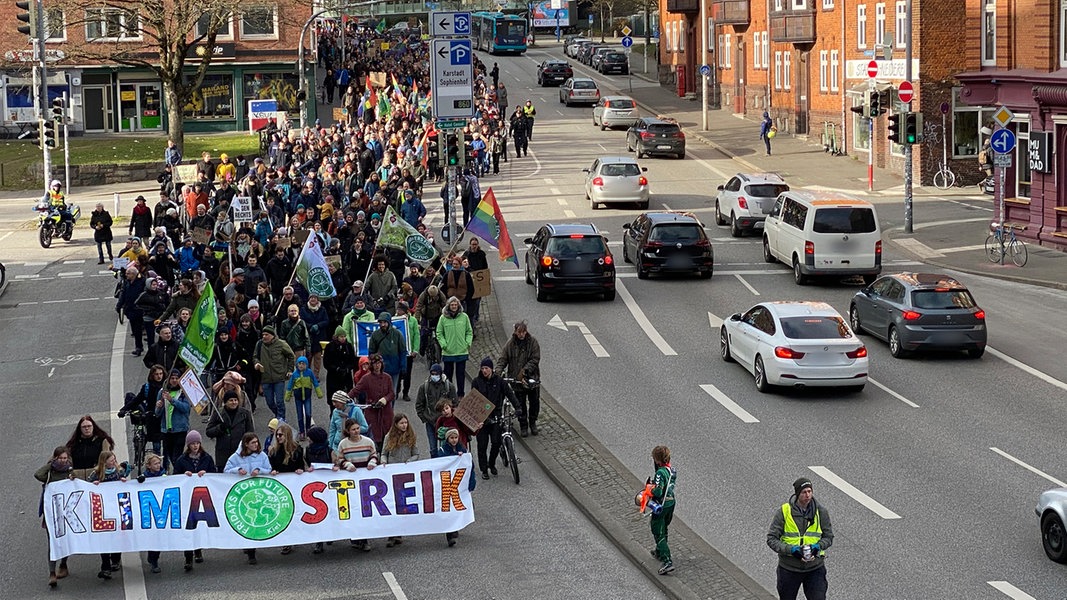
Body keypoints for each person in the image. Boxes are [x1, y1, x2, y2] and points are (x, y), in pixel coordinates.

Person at [767, 477, 834, 600]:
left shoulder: (821, 512)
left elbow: (829, 537)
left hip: (815, 567)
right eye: (804, 492)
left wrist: (817, 547)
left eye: (809, 491)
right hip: (789, 568)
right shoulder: (784, 511)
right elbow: (771, 539)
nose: (808, 495)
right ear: (797, 494)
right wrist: (791, 550)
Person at [223, 432, 272, 565]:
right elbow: (226, 471)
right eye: (253, 443)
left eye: (257, 442)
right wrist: (237, 470)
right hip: (244, 496)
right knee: (247, 521)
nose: (256, 445)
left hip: (258, 493)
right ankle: (250, 551)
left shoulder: (262, 456)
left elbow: (269, 469)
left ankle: (253, 546)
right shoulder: (235, 457)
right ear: (246, 444)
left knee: (256, 521)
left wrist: (259, 470)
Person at [332, 417, 378, 552]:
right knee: (353, 510)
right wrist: (346, 464)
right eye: (353, 429)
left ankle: (364, 540)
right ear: (348, 431)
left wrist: (372, 462)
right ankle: (355, 538)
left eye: (358, 428)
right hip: (350, 483)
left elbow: (374, 455)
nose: (356, 431)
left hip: (365, 482)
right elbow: (339, 459)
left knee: (364, 511)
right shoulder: (343, 444)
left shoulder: (368, 442)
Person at [471, 357, 517, 480]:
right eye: (482, 368)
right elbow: (473, 400)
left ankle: (491, 463)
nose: (484, 371)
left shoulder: (500, 381)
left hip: (496, 417)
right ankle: (484, 469)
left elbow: (509, 394)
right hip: (482, 419)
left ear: (491, 369)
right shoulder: (476, 382)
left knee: (496, 443)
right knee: (482, 445)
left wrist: (518, 407)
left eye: (486, 368)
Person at [172, 430, 212, 571]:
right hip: (187, 498)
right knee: (188, 527)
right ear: (188, 445)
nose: (195, 446)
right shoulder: (182, 460)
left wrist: (206, 474)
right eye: (192, 444)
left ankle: (198, 550)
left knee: (200, 524)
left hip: (202, 497)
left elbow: (214, 473)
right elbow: (174, 477)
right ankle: (188, 557)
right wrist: (184, 475)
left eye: (197, 443)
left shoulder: (206, 458)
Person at [267, 423, 309, 555]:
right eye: (277, 435)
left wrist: (300, 470)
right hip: (280, 487)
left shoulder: (297, 450)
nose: (278, 437)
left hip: (294, 485)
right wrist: (272, 471)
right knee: (283, 514)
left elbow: (302, 466)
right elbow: (270, 467)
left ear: (287, 436)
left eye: (280, 435)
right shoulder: (273, 451)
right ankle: (287, 542)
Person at [36, 446, 74, 587]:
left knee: (65, 540)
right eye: (60, 458)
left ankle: (63, 564)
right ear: (55, 458)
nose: (63, 461)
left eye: (65, 458)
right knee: (52, 542)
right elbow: (38, 474)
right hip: (51, 512)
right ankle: (52, 573)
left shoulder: (70, 471)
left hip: (65, 512)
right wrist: (50, 465)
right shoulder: (50, 471)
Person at [87, 451, 129, 579]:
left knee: (116, 535)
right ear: (104, 462)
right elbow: (86, 487)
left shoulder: (118, 472)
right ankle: (105, 566)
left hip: (116, 509)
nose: (114, 462)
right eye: (111, 460)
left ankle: (115, 559)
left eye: (114, 460)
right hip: (102, 512)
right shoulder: (96, 474)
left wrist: (123, 481)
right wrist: (93, 486)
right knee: (103, 538)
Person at [380, 412, 420, 548]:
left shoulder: (411, 437)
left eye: (406, 423)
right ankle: (392, 534)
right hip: (392, 473)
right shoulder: (388, 437)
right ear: (396, 425)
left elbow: (416, 454)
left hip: (405, 475)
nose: (404, 425)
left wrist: (409, 461)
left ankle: (400, 532)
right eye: (401, 423)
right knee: (392, 504)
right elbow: (384, 454)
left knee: (402, 504)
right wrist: (383, 462)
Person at [498, 321, 542, 436]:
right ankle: (523, 425)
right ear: (515, 332)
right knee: (520, 404)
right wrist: (498, 371)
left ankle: (533, 422)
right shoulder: (510, 344)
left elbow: (535, 359)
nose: (521, 334)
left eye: (523, 332)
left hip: (531, 379)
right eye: (519, 332)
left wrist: (525, 371)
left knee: (534, 403)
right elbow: (503, 359)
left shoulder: (533, 342)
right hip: (516, 381)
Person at [643, 445, 678, 575]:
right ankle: (659, 551)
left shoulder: (660, 473)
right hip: (671, 502)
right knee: (664, 527)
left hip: (661, 505)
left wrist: (649, 488)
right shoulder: (672, 470)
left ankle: (667, 560)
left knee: (658, 530)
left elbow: (658, 490)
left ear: (657, 460)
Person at [437, 428, 474, 547]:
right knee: (449, 508)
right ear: (447, 439)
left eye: (456, 438)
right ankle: (449, 533)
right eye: (452, 438)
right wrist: (455, 456)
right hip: (447, 484)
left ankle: (455, 527)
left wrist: (471, 481)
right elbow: (441, 463)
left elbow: (469, 466)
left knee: (457, 507)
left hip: (458, 484)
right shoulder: (442, 450)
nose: (454, 440)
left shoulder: (462, 449)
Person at [350, 353, 396, 445]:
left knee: (388, 438)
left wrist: (385, 399)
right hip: (372, 412)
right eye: (375, 363)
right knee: (373, 438)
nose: (377, 365)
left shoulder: (387, 377)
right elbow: (356, 390)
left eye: (379, 363)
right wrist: (344, 398)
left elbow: (392, 393)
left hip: (386, 412)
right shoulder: (366, 378)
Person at [254, 325, 296, 421]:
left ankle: (281, 419)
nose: (264, 337)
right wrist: (256, 363)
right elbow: (255, 356)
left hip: (279, 377)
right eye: (263, 334)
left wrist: (289, 370)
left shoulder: (281, 344)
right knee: (269, 402)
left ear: (272, 335)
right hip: (266, 378)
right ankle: (278, 414)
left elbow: (291, 356)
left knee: (280, 401)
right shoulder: (259, 344)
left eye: (267, 335)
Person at [415, 364, 458, 458]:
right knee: (433, 449)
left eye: (436, 374)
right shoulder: (424, 387)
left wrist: (450, 416)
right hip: (431, 422)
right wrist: (424, 418)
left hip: (446, 423)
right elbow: (419, 405)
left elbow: (455, 403)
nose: (434, 376)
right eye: (432, 374)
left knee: (447, 448)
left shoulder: (449, 386)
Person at [206, 390, 255, 470]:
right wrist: (220, 428)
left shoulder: (245, 414)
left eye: (235, 400)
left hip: (240, 453)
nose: (234, 402)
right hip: (223, 454)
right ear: (225, 402)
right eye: (231, 400)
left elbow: (250, 433)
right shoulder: (218, 413)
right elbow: (208, 432)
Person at [436, 296, 473, 396]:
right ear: (449, 306)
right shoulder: (443, 318)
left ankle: (461, 394)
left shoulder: (464, 317)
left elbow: (469, 331)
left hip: (462, 351)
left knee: (460, 375)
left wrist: (467, 343)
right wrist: (444, 345)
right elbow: (439, 333)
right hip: (448, 351)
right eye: (452, 305)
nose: (454, 306)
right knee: (448, 375)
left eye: (455, 305)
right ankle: (449, 394)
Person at [155, 368, 191, 470]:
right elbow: (157, 413)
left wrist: (172, 400)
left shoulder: (183, 392)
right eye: (172, 378)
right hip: (166, 430)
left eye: (177, 378)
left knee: (177, 457)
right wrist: (159, 406)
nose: (174, 380)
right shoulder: (163, 392)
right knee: (170, 455)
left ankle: (178, 474)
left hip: (180, 429)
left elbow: (186, 408)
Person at [284, 355, 323, 440]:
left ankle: (308, 428)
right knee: (300, 415)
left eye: (303, 364)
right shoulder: (295, 374)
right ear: (297, 365)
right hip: (298, 397)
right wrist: (288, 396)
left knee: (308, 413)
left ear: (306, 364)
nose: (301, 365)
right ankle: (301, 431)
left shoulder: (309, 373)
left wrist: (319, 393)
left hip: (307, 396)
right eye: (299, 364)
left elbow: (315, 383)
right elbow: (290, 385)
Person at [66, 415, 115, 480]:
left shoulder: (102, 441)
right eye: (84, 427)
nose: (87, 428)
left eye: (89, 426)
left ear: (93, 427)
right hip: (77, 479)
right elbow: (66, 460)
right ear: (80, 429)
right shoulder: (73, 443)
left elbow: (107, 459)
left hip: (96, 477)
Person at [369, 311, 407, 392]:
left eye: (385, 322)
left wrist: (403, 366)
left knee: (392, 391)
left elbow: (403, 351)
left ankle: (392, 405)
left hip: (394, 368)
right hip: (380, 369)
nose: (382, 325)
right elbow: (371, 352)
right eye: (381, 322)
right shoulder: (375, 335)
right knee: (381, 391)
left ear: (389, 322)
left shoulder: (397, 334)